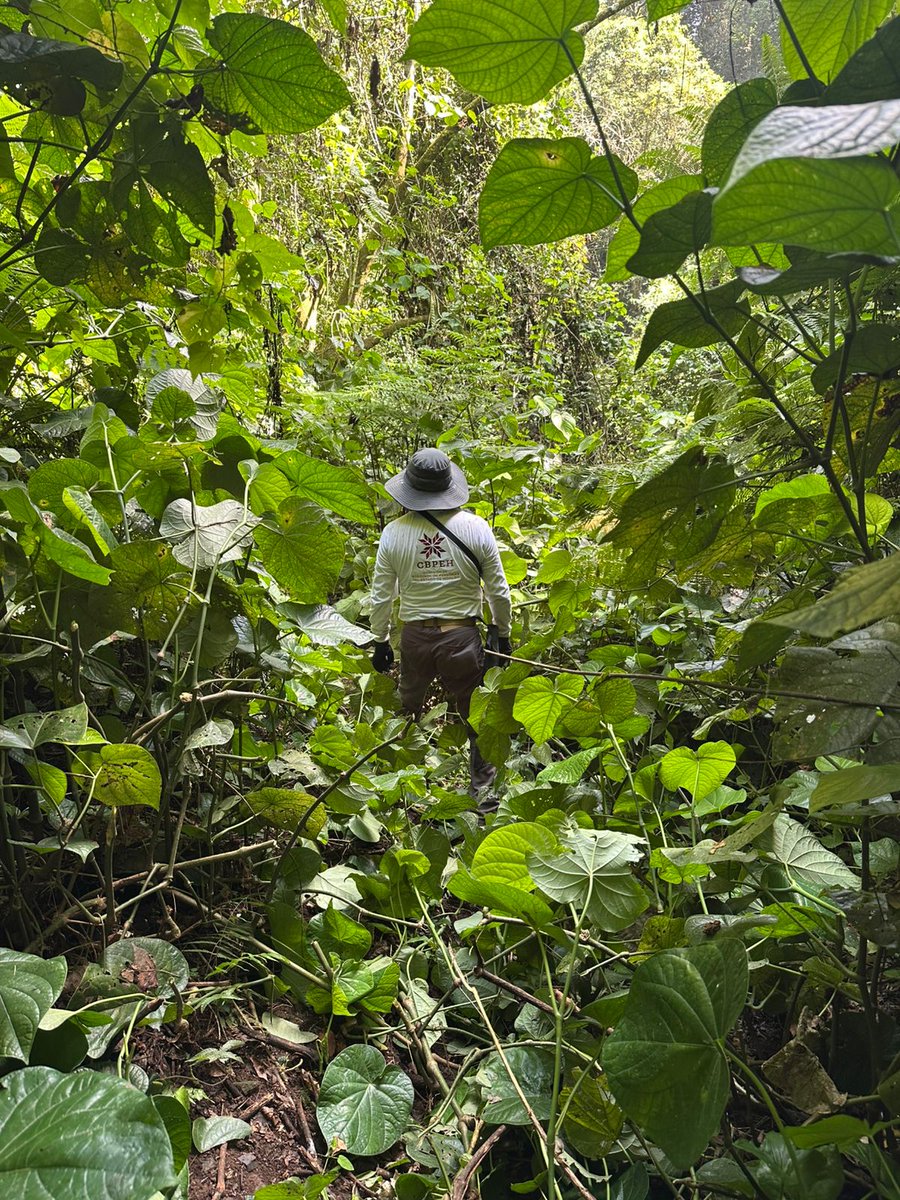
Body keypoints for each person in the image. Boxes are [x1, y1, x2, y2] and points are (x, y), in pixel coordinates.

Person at [369, 447, 512, 797]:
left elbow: (381, 595)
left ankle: (401, 791)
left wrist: (381, 640)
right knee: (476, 717)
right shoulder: (476, 528)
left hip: (415, 639)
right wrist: (503, 635)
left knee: (407, 712)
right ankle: (483, 795)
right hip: (461, 639)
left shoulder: (393, 533)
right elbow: (499, 592)